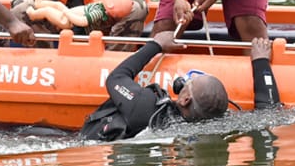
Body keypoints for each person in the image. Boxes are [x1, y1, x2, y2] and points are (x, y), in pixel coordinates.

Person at [78, 32, 282, 141]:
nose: (186, 79)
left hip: (86, 143)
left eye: (190, 81)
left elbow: (116, 78)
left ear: (184, 99)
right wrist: (261, 63)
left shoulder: (147, 106)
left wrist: (155, 45)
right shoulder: (224, 124)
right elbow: (270, 111)